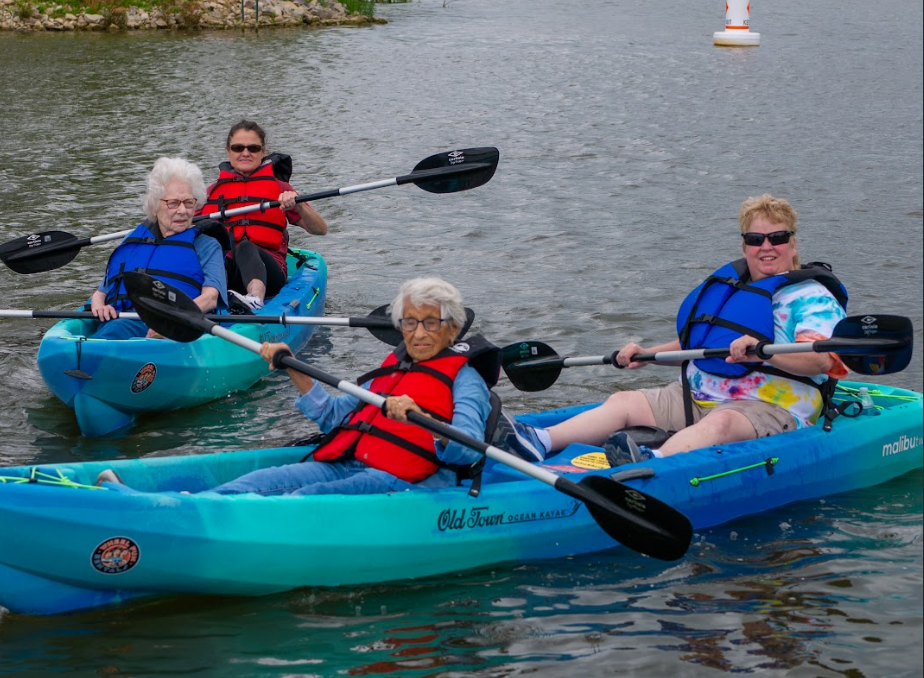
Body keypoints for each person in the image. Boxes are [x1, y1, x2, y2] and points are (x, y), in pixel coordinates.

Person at [506, 194, 850, 465]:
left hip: (770, 406)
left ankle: (652, 463)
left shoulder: (811, 297)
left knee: (720, 425)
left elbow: (820, 361)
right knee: (623, 401)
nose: (766, 246)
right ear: (744, 245)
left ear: (792, 242)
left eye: (777, 237)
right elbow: (699, 345)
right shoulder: (733, 286)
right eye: (755, 238)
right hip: (696, 395)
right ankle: (538, 441)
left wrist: (764, 350)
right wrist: (649, 355)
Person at [199, 277, 504, 495]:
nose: (419, 333)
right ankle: (200, 508)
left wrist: (426, 420)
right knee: (258, 483)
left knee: (306, 499)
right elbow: (333, 416)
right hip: (350, 462)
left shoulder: (466, 380)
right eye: (410, 322)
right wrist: (289, 363)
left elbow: (469, 449)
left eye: (431, 323)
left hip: (402, 480)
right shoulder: (392, 370)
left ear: (451, 328)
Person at [89, 157, 228, 340]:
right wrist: (99, 305)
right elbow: (102, 291)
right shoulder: (133, 241)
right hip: (126, 320)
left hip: (178, 327)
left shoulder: (207, 246)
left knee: (114, 331)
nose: (182, 210)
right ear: (155, 206)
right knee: (115, 329)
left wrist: (169, 321)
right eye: (173, 203)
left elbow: (209, 299)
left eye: (188, 202)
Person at [200, 120, 327, 311]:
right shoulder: (211, 192)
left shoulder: (279, 189)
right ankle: (201, 304)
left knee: (245, 247)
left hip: (270, 271)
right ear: (228, 151)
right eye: (238, 148)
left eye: (253, 148)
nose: (245, 153)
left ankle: (255, 297)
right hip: (226, 271)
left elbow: (320, 230)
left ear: (262, 151)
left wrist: (298, 205)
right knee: (212, 257)